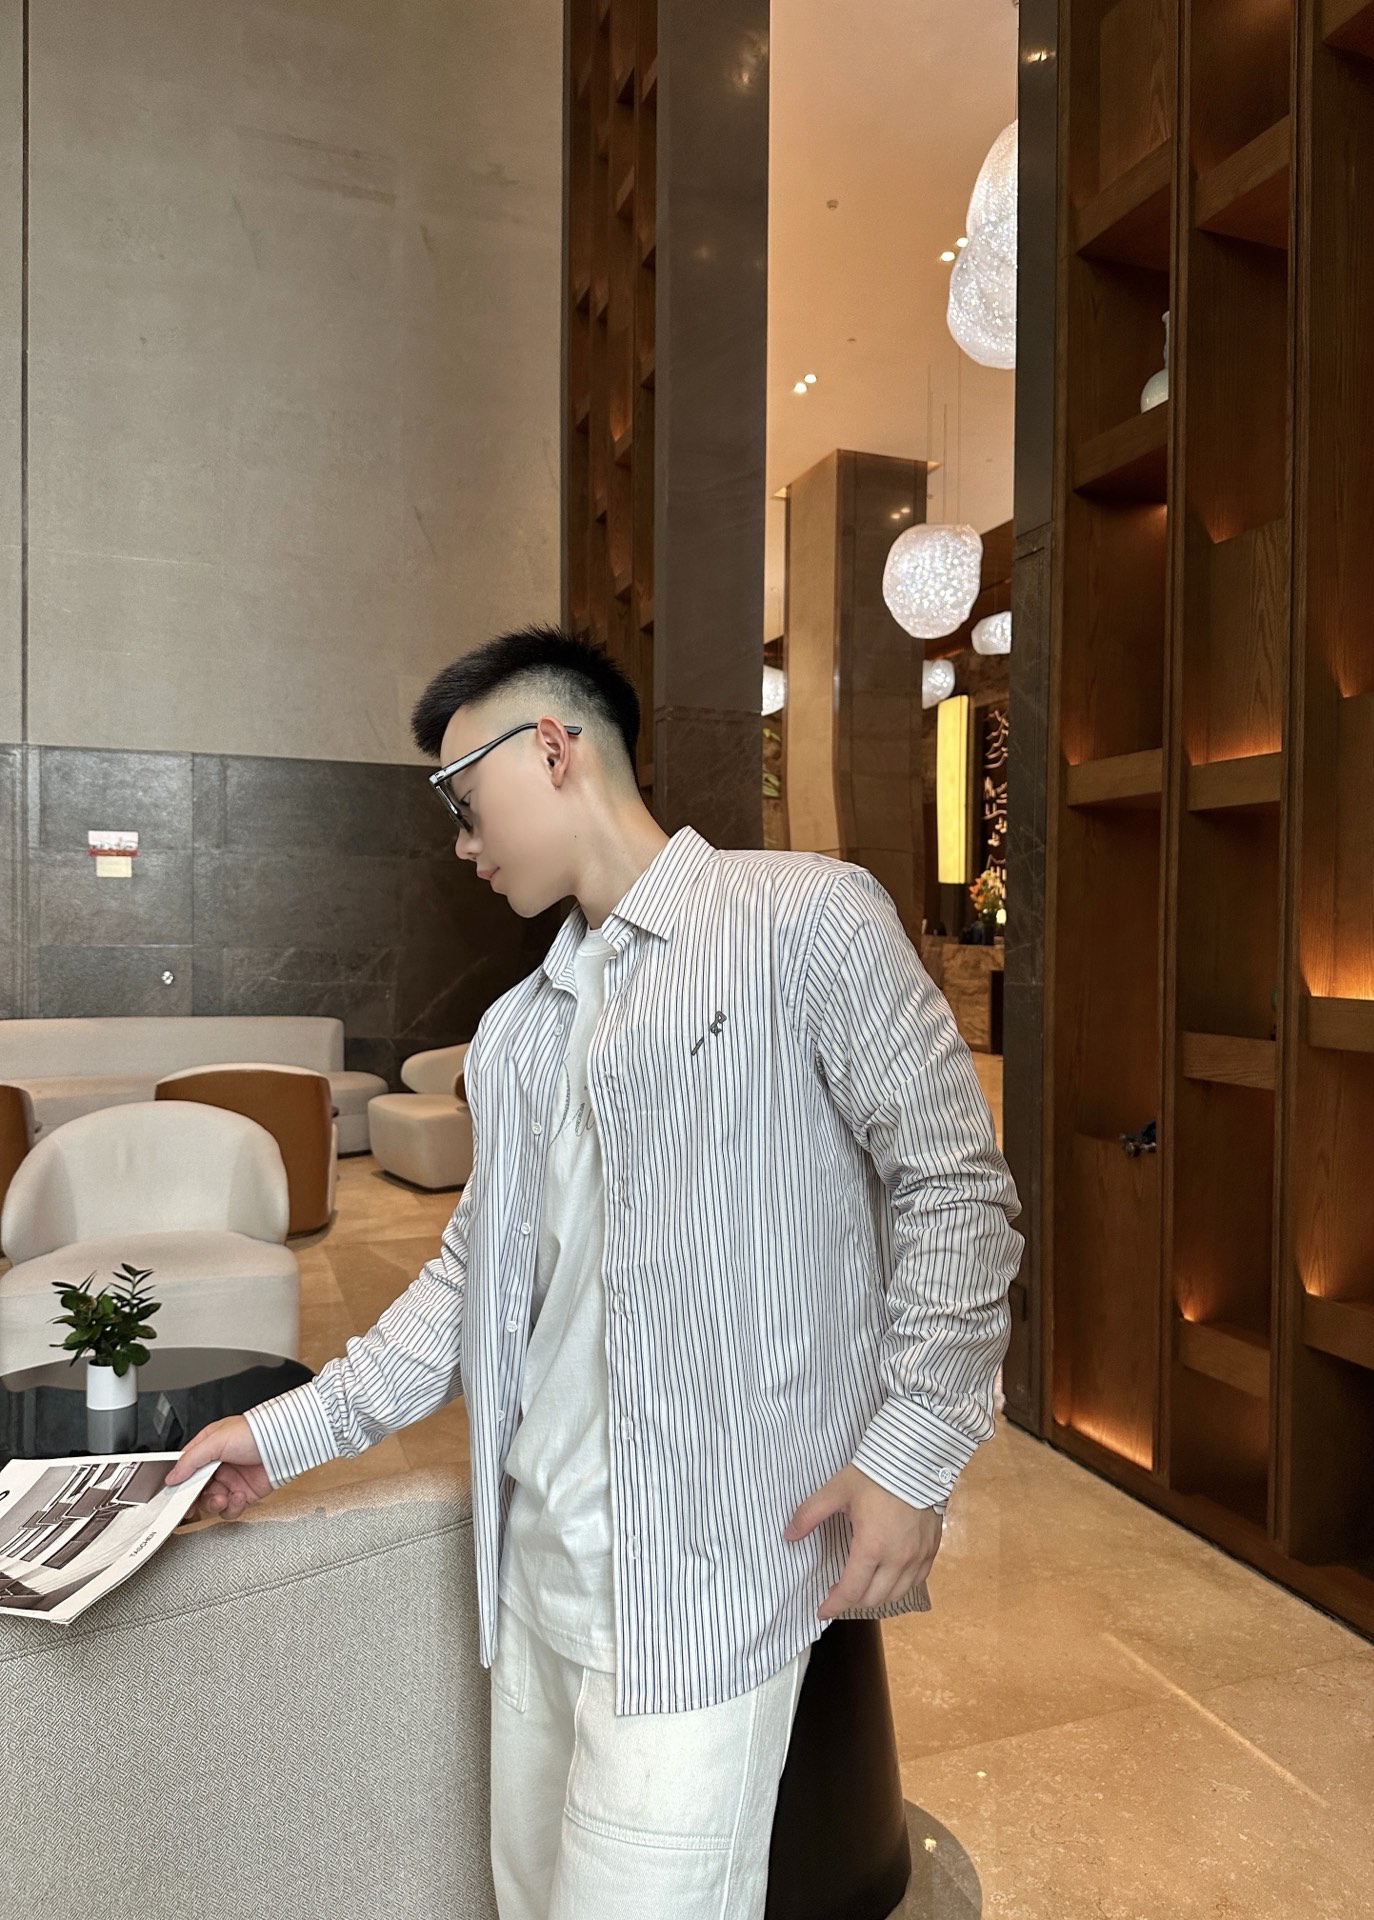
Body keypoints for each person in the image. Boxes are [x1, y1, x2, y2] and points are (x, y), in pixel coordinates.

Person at [165, 622, 1024, 1920]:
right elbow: (468, 1288)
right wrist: (279, 1436)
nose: (463, 845)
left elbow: (954, 1188)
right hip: (537, 1582)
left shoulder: (804, 920)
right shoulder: (515, 1033)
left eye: (464, 802)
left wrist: (911, 1458)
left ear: (553, 749)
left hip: (708, 1589)